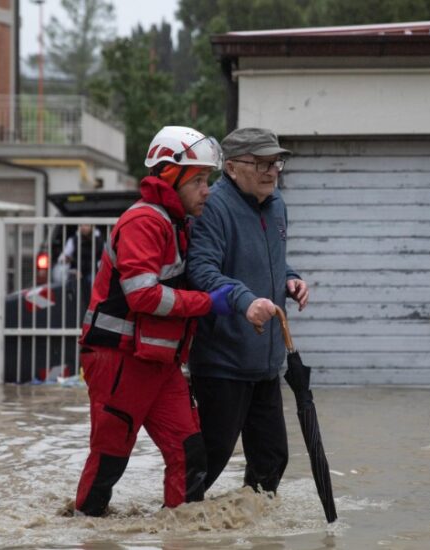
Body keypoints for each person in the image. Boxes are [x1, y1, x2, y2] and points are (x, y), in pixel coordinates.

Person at [74, 126, 234, 516]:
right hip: (120, 360)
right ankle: (85, 534)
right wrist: (207, 303)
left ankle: (180, 535)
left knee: (191, 454)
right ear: (169, 177)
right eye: (198, 180)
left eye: (207, 180)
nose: (207, 190)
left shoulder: (176, 223)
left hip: (158, 363)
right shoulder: (144, 222)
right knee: (110, 460)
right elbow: (142, 296)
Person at [186, 127, 309, 493]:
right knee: (210, 459)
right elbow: (202, 271)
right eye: (261, 163)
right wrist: (244, 300)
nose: (272, 171)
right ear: (233, 167)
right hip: (223, 361)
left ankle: (256, 533)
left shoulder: (277, 204)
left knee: (272, 459)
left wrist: (290, 278)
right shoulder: (214, 207)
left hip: (266, 362)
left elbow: (269, 262)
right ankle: (174, 527)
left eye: (276, 162)